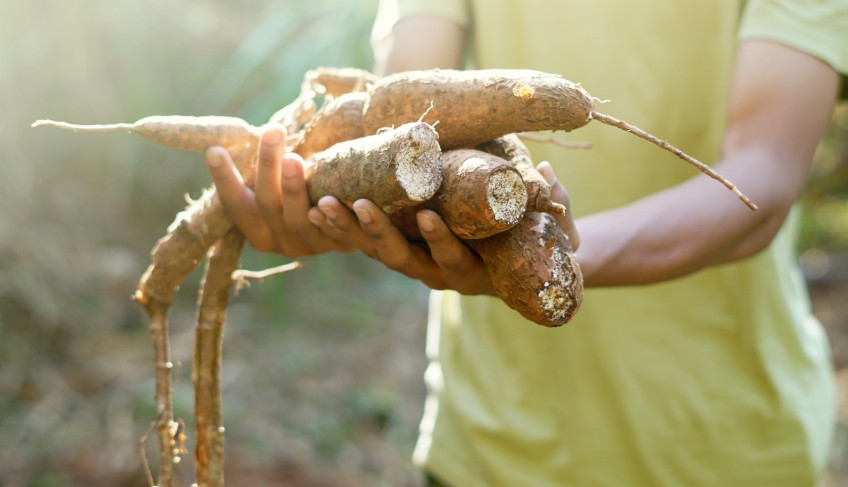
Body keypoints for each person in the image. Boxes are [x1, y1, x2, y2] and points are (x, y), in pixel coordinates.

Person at [203, 1, 848, 485]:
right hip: (492, 447)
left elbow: (759, 178)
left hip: (727, 449)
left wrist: (547, 256)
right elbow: (402, 104)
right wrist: (347, 201)